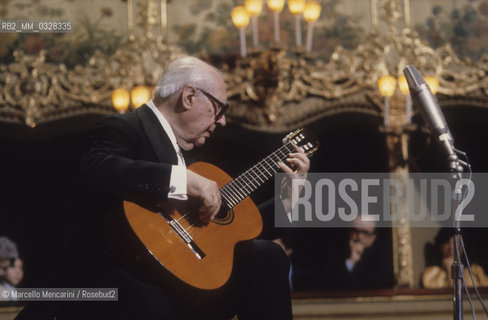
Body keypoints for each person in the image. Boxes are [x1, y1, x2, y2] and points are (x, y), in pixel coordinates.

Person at [17, 56, 309, 320]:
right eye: (219, 108)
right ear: (189, 96)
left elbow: (234, 235)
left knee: (268, 256)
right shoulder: (123, 128)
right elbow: (99, 167)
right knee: (149, 302)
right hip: (113, 281)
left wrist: (288, 199)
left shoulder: (194, 159)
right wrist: (185, 180)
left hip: (182, 286)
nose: (222, 120)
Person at [293, 215, 393, 291]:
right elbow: (330, 284)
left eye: (365, 233)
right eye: (355, 231)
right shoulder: (336, 252)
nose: (359, 237)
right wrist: (351, 262)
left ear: (374, 236)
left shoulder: (383, 257)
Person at [422, 228, 488, 289]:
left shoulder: (475, 270)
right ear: (440, 246)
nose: (451, 247)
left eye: (456, 242)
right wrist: (450, 270)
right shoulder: (432, 274)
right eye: (447, 243)